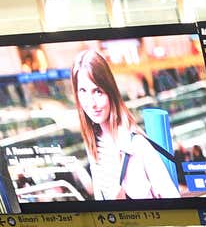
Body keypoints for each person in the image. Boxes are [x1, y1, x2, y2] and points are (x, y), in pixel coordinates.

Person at [69, 49, 179, 201]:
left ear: (110, 91)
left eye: (98, 91)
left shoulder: (136, 143)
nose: (91, 103)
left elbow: (173, 199)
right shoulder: (92, 142)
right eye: (83, 91)